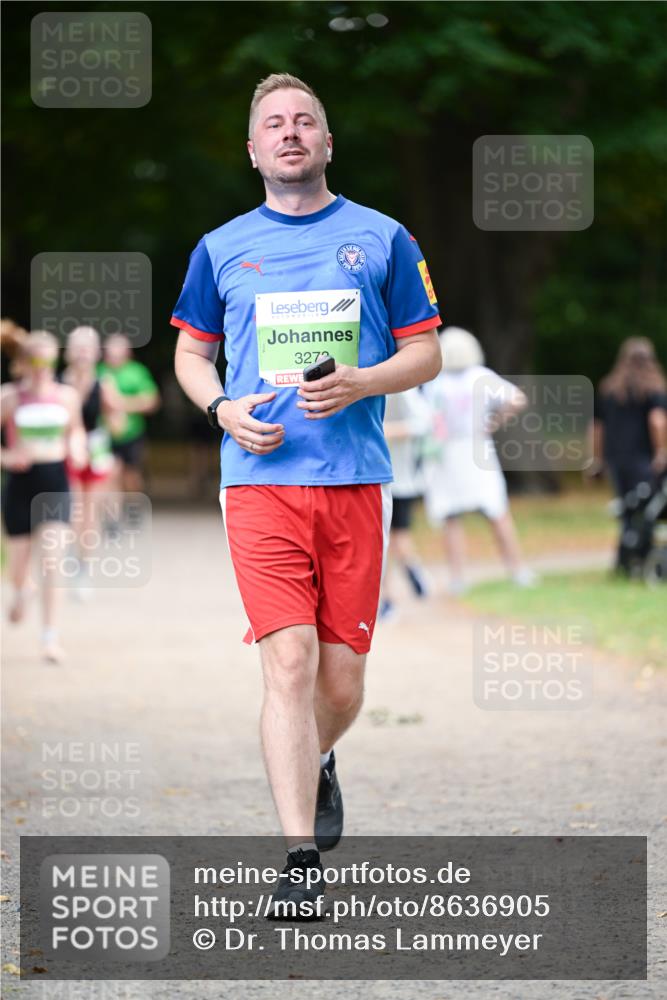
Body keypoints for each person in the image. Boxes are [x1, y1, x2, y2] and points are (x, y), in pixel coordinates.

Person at [172, 73, 442, 915]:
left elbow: (424, 352)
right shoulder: (219, 248)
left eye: (305, 122)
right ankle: (297, 860)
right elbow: (189, 355)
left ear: (328, 142)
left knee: (341, 682)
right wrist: (220, 406)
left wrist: (363, 381)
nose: (290, 133)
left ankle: (319, 757)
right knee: (285, 662)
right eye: (273, 125)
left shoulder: (384, 237)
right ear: (251, 150)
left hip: (355, 481)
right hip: (259, 482)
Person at [422, 327, 536, 594]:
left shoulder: (434, 382)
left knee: (451, 516)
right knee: (497, 511)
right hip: (476, 448)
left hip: (446, 453)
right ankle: (518, 570)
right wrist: (495, 421)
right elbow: (517, 398)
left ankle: (458, 577)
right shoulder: (480, 377)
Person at [1, 331, 86, 662]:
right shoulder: (9, 397)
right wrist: (7, 458)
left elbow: (76, 430)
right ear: (22, 363)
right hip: (20, 487)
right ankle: (22, 590)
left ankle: (50, 637)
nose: (42, 368)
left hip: (54, 483)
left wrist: (77, 447)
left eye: (48, 361)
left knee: (53, 561)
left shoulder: (66, 397)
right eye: (35, 361)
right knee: (18, 569)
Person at [590, 337, 667, 572]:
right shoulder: (654, 389)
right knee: (644, 510)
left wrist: (595, 459)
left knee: (626, 509)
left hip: (616, 459)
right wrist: (662, 451)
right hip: (644, 460)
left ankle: (625, 559)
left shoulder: (608, 389)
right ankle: (641, 558)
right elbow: (657, 421)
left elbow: (596, 428)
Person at [62, 326, 118, 590]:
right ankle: (72, 556)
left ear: (97, 352)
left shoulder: (104, 383)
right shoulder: (59, 382)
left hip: (95, 452)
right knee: (73, 509)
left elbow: (117, 421)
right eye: (79, 345)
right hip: (66, 452)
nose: (83, 351)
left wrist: (116, 413)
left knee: (89, 512)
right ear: (69, 351)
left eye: (89, 346)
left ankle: (84, 567)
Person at [378, 387, 432, 622]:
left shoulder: (402, 390)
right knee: (385, 541)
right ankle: (391, 594)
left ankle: (408, 574)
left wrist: (384, 431)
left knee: (394, 537)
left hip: (400, 478)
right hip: (375, 479)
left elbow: (423, 423)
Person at [98, 333, 160, 494]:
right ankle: (112, 514)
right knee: (107, 474)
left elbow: (152, 402)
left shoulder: (137, 372)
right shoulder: (98, 371)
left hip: (132, 434)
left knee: (131, 476)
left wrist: (120, 404)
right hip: (104, 434)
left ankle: (134, 508)